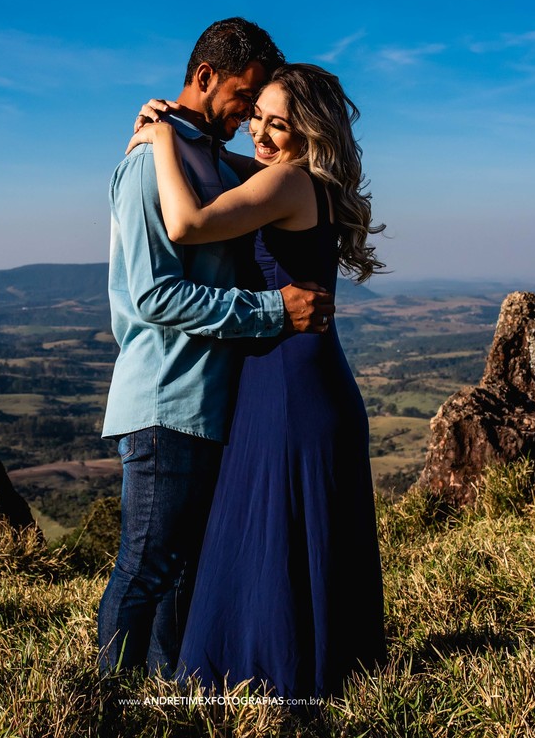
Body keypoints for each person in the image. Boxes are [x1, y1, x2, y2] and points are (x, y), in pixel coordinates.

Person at [126, 63, 387, 699]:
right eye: (257, 117)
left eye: (280, 124)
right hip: (297, 376)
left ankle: (281, 680)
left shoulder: (290, 185)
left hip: (292, 385)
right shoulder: (300, 182)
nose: (261, 134)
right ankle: (306, 673)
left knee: (277, 532)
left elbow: (187, 224)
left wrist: (161, 136)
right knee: (288, 533)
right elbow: (236, 169)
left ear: (310, 133)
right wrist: (188, 138)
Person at [97, 19, 335, 677]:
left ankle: (172, 696)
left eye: (262, 107)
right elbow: (155, 297)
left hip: (206, 402)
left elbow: (270, 172)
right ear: (205, 78)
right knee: (145, 570)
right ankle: (109, 705)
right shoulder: (152, 163)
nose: (249, 117)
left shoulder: (202, 155)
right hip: (164, 401)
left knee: (183, 572)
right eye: (244, 98)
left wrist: (169, 129)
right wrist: (270, 310)